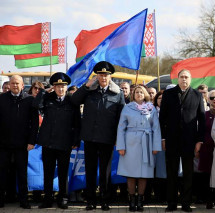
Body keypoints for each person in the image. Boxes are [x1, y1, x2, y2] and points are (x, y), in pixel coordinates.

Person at [71, 61, 125, 211]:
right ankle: (91, 201)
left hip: (107, 138)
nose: (103, 77)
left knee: (105, 172)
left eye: (106, 75)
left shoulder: (117, 93)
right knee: (90, 170)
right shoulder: (89, 91)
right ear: (96, 76)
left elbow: (121, 119)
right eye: (100, 75)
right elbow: (74, 101)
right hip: (90, 138)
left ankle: (105, 200)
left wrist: (117, 138)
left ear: (110, 76)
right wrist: (86, 86)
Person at [33, 73, 81, 209]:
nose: (60, 89)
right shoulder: (47, 98)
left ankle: (63, 198)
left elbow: (77, 123)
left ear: (67, 87)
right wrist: (43, 91)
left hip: (65, 142)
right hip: (48, 142)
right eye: (58, 86)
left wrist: (76, 140)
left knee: (63, 172)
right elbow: (35, 105)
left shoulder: (72, 101)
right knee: (47, 172)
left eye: (63, 86)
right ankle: (48, 198)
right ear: (53, 87)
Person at [159, 69, 205, 212]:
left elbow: (202, 120)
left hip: (189, 140)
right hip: (172, 139)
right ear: (177, 79)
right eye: (182, 77)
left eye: (186, 77)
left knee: (188, 173)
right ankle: (171, 203)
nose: (184, 79)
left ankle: (186, 203)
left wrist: (199, 141)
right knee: (171, 172)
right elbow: (162, 118)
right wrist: (163, 137)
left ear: (190, 79)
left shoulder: (197, 95)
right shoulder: (168, 94)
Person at [116, 85, 161, 211]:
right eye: (136, 92)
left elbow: (156, 128)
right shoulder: (127, 107)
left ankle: (140, 200)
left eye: (141, 92)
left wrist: (156, 146)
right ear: (133, 94)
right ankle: (132, 200)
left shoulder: (151, 108)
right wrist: (121, 146)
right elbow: (121, 128)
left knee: (143, 174)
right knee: (131, 174)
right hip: (130, 144)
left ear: (145, 93)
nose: (139, 94)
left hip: (147, 144)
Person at [0, 75, 39, 209]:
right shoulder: (2, 99)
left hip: (22, 144)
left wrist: (31, 141)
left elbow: (34, 123)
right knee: (2, 173)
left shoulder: (29, 100)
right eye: (12, 83)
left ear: (23, 85)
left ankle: (24, 201)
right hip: (3, 144)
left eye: (17, 83)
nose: (15, 86)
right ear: (9, 85)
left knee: (22, 174)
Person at [198, 90, 215, 210]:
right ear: (208, 100)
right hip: (207, 149)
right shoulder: (204, 114)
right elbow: (200, 132)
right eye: (212, 97)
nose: (214, 99)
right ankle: (208, 199)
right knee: (207, 175)